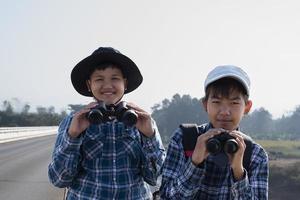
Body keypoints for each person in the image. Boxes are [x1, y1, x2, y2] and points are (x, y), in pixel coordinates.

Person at [48, 47, 166, 200]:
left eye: (115, 78)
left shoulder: (141, 120)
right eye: (99, 79)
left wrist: (149, 136)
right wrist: (73, 136)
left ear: (125, 83)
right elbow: (59, 179)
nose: (108, 85)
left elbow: (154, 178)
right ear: (89, 85)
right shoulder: (74, 121)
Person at [159, 65, 269, 199]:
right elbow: (166, 196)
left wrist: (238, 172)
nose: (224, 112)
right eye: (216, 102)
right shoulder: (184, 139)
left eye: (234, 103)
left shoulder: (255, 155)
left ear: (247, 107)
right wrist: (194, 162)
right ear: (205, 104)